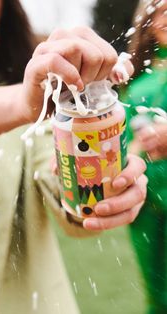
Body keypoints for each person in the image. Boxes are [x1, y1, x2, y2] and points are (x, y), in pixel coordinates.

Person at [0, 1, 147, 314]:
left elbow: (63, 187)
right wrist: (23, 102)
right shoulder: (33, 94)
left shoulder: (48, 90)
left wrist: (106, 188)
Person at [122, 0, 167, 313]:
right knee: (158, 295)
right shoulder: (138, 85)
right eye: (162, 9)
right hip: (148, 207)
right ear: (149, 22)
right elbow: (124, 147)